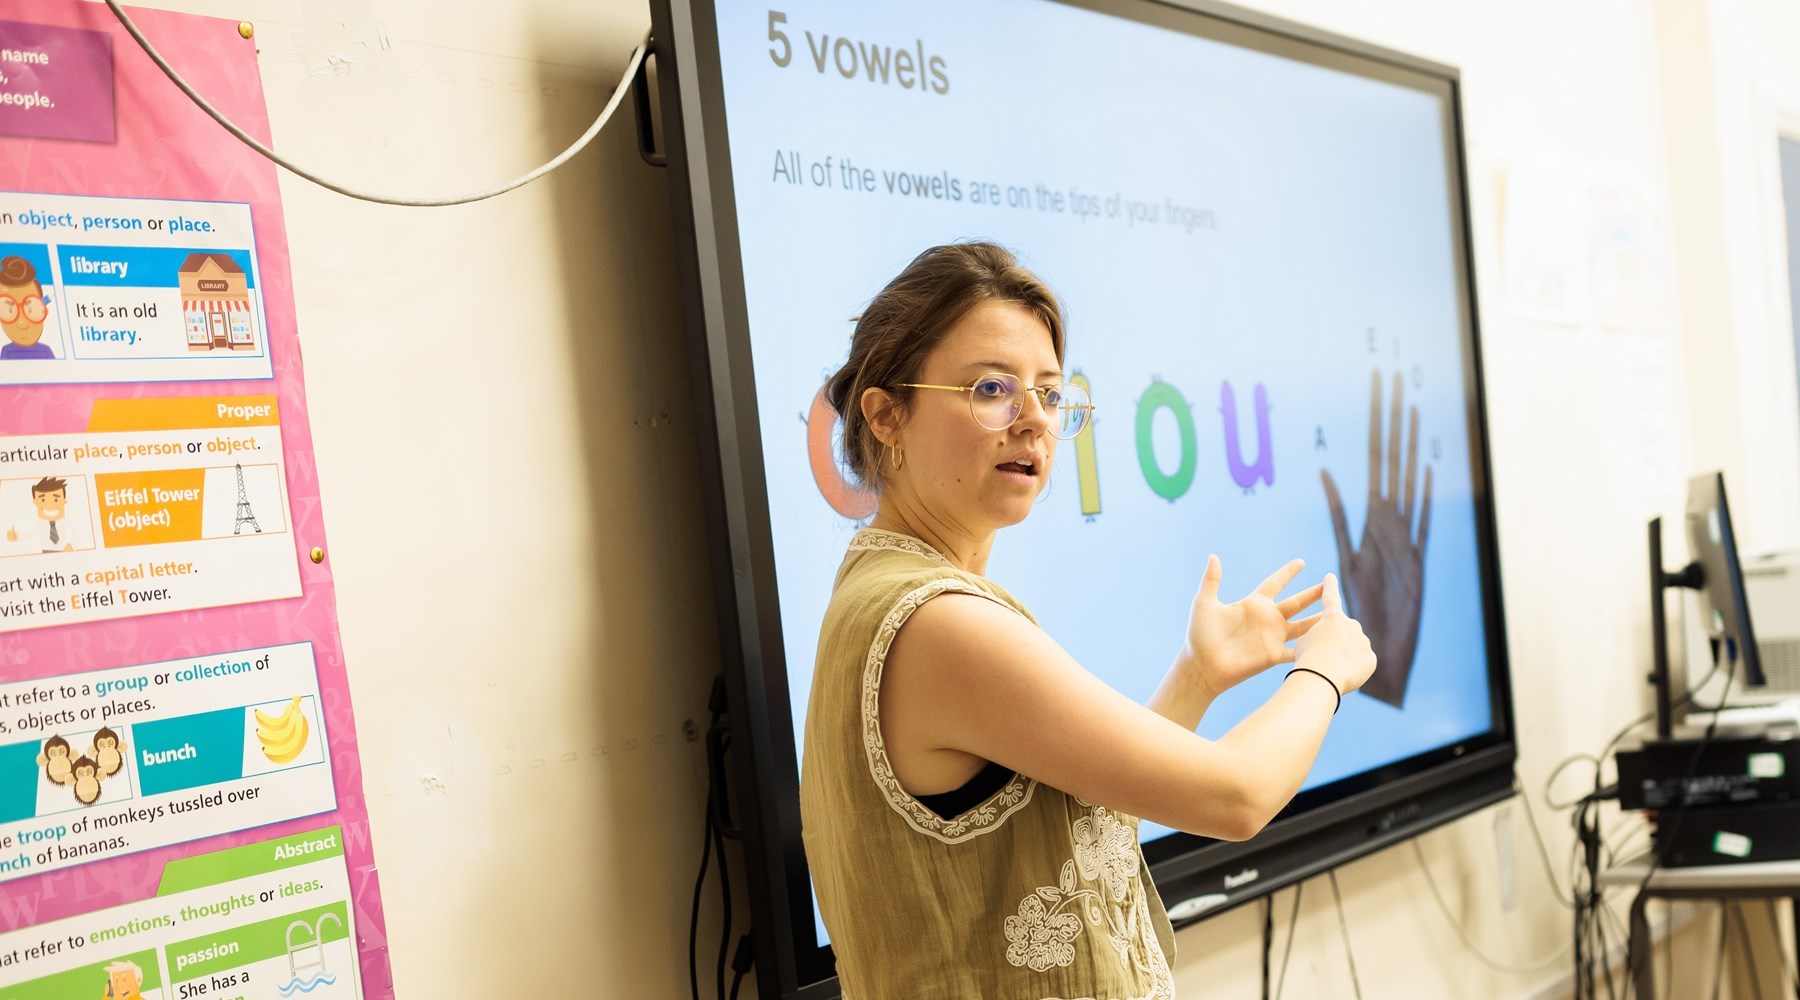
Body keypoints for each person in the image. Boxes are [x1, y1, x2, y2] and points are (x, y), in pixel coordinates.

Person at [799, 242, 1377, 998]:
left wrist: (1197, 676)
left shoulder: (890, 595)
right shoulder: (937, 623)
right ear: (886, 417)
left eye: (1048, 392)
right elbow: (1235, 797)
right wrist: (1323, 672)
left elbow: (1080, 837)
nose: (1034, 420)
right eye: (992, 388)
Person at [0, 255, 55, 359]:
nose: (22, 323)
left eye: (31, 309)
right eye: (9, 310)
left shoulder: (46, 352)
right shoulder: (6, 352)